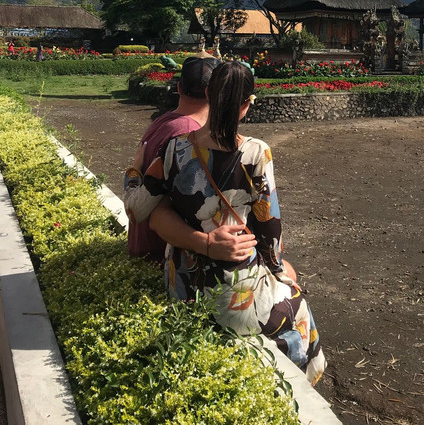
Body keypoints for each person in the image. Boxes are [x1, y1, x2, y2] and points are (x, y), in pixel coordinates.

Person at [125, 61, 325, 384]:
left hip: (181, 282)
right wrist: (279, 272)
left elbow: (137, 208)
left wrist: (133, 171)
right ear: (245, 106)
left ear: (208, 94)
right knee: (298, 308)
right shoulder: (256, 153)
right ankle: (302, 386)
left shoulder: (174, 149)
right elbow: (270, 229)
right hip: (230, 294)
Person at [125, 56, 253, 264]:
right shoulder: (190, 138)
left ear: (178, 87)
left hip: (142, 246)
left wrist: (134, 171)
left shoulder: (163, 122)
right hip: (164, 254)